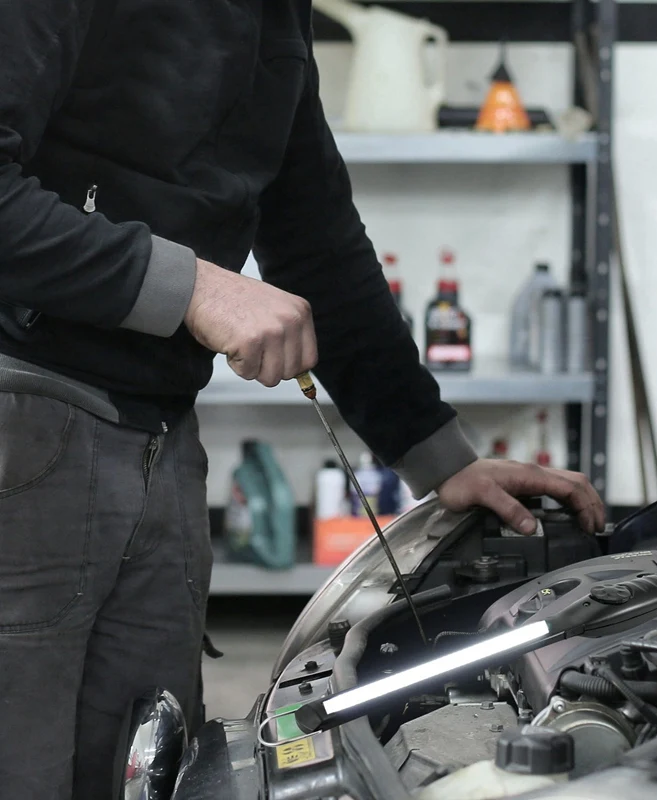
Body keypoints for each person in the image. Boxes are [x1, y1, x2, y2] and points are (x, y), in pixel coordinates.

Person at [0, 1, 604, 796]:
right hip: (26, 430)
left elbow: (314, 232)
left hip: (161, 441)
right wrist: (191, 287)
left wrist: (437, 454)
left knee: (148, 773)